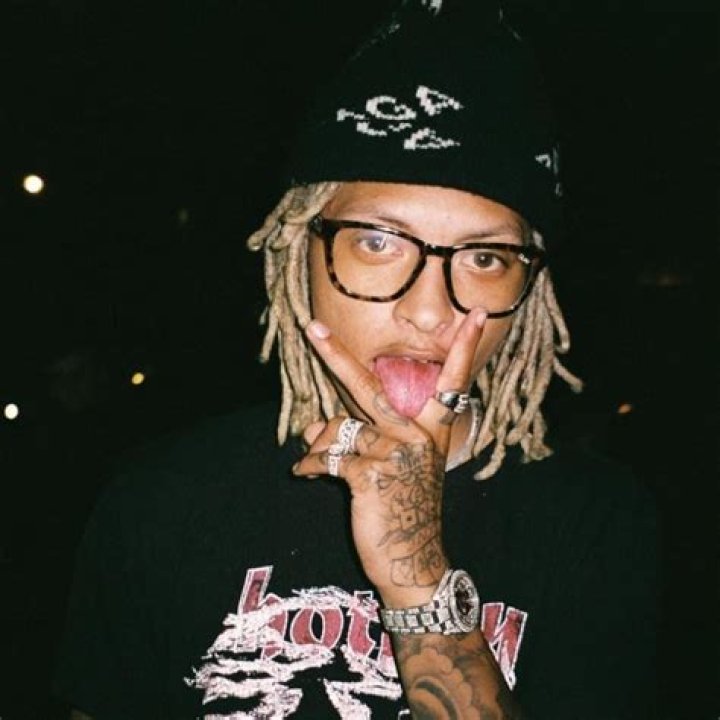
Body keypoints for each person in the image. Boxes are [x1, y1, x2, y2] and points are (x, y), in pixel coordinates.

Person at [53, 2, 659, 718]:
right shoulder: (162, 501)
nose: (429, 310)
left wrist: (416, 573)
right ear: (297, 251)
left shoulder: (597, 525)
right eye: (377, 242)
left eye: (485, 258)